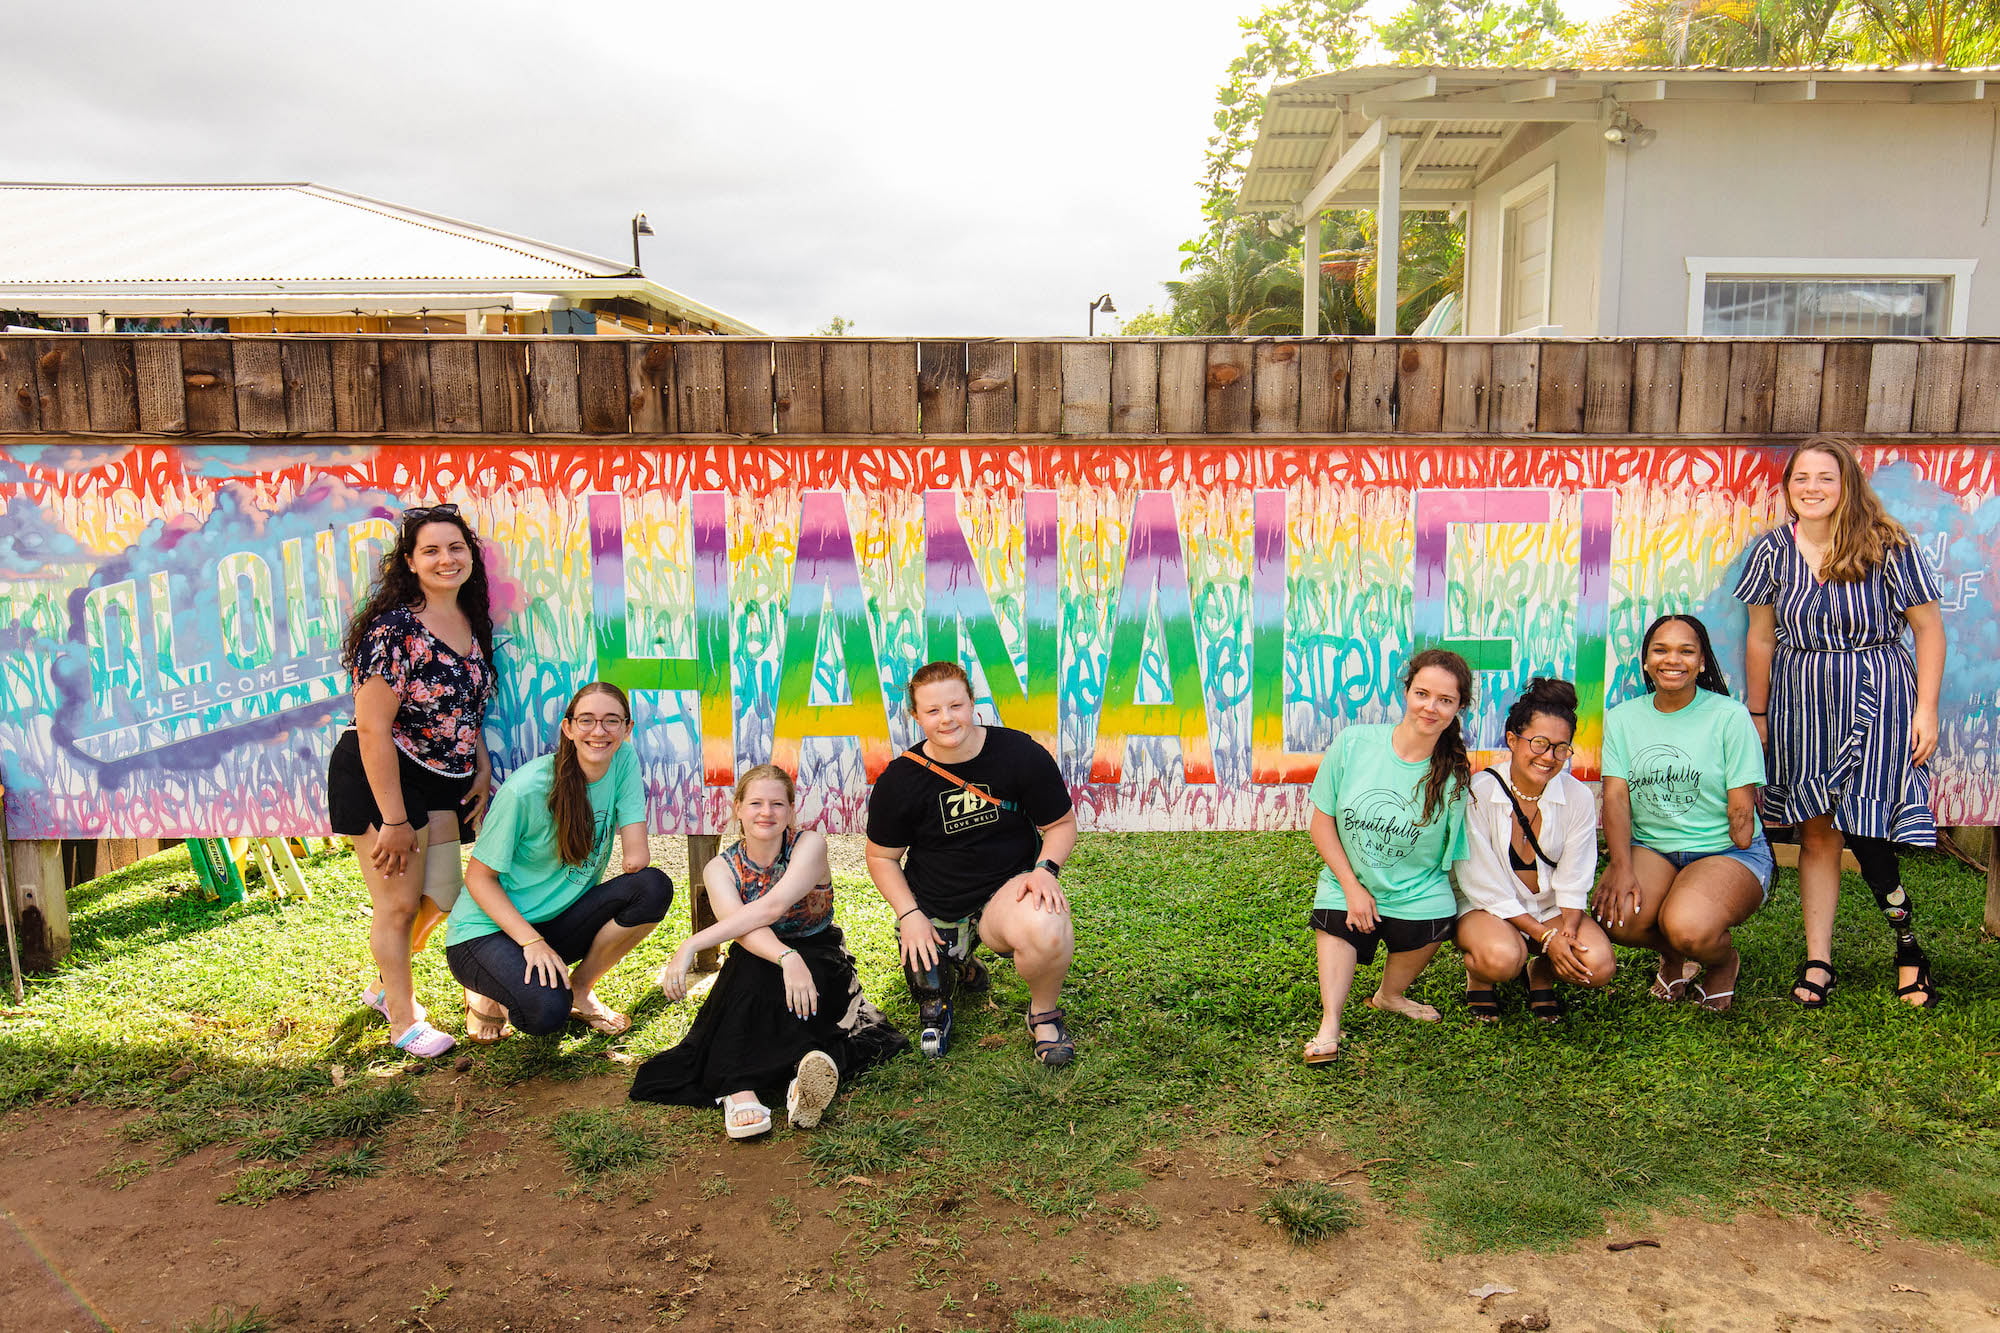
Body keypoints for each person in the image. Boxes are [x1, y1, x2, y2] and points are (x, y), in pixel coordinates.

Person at [1736, 437, 1946, 1009]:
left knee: (1872, 828)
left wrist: (1926, 709)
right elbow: (1760, 637)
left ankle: (1908, 946)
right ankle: (1819, 959)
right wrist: (1758, 713)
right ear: (1788, 489)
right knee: (1818, 831)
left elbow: (1928, 629)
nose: (1812, 488)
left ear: (1847, 483)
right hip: (1801, 700)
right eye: (1801, 478)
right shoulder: (1772, 551)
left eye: (1825, 477)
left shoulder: (1888, 546)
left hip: (1880, 694)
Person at [633, 765, 907, 1138]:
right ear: (738, 809)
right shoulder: (720, 868)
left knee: (805, 995)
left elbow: (772, 907)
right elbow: (745, 929)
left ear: (791, 811)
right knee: (750, 974)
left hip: (817, 949)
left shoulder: (809, 845)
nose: (767, 812)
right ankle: (745, 1089)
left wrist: (694, 942)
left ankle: (793, 1079)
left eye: (777, 804)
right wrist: (784, 957)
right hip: (757, 952)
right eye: (757, 803)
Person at [328, 502, 496, 1058]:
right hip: (383, 775)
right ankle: (403, 1020)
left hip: (440, 779)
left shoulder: (470, 622)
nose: (446, 559)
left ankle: (381, 985)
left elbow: (462, 709)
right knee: (398, 905)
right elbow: (373, 728)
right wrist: (394, 821)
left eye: (456, 548)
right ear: (410, 562)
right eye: (432, 550)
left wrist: (482, 761)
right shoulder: (395, 630)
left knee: (445, 894)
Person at [864, 661, 1079, 1065]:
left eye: (955, 706)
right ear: (915, 716)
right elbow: (881, 856)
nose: (947, 719)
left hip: (1007, 892)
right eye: (932, 711)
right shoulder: (900, 779)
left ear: (972, 703)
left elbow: (1062, 824)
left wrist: (1045, 869)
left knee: (1047, 927)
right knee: (930, 995)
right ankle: (960, 963)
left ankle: (1044, 1015)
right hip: (936, 902)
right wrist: (909, 914)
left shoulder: (1019, 753)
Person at [445, 682, 672, 1042]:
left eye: (612, 721)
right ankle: (484, 998)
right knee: (546, 1013)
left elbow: (636, 857)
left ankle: (580, 989)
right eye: (587, 720)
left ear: (628, 729)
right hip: (486, 931)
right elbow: (478, 879)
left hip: (554, 920)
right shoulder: (527, 791)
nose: (599, 731)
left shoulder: (623, 759)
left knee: (652, 886)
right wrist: (531, 942)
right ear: (567, 728)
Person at [1303, 648, 1473, 1063]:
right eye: (1422, 694)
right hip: (1349, 884)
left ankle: (1390, 995)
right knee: (1337, 918)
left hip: (1415, 890)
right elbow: (1320, 823)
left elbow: (1451, 857)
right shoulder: (1354, 743)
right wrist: (1353, 888)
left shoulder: (1453, 775)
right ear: (1407, 693)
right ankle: (1330, 1026)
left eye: (1445, 700)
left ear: (1458, 708)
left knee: (1437, 912)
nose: (1430, 707)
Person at [1594, 615, 1770, 1013]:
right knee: (1616, 918)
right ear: (1645, 661)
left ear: (1702, 662)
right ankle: (1673, 957)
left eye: (1686, 651)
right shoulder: (1623, 718)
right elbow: (1617, 797)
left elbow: (1742, 812)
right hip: (1653, 848)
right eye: (1661, 650)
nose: (1672, 659)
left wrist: (1715, 863)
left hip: (1724, 850)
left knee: (1688, 925)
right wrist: (1621, 864)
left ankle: (1722, 963)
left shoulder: (1729, 716)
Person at [1454, 678, 1613, 1024]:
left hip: (1550, 908)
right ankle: (1480, 976)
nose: (1548, 757)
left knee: (1597, 966)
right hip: (1487, 909)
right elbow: (1482, 884)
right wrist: (1546, 936)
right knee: (1502, 959)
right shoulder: (1478, 794)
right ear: (1512, 739)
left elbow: (1575, 877)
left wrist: (1566, 934)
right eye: (1539, 743)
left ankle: (1541, 972)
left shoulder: (1577, 797)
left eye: (1561, 748)